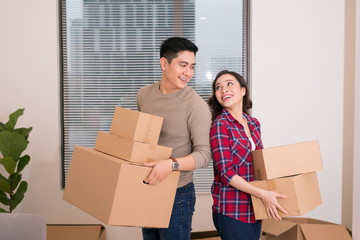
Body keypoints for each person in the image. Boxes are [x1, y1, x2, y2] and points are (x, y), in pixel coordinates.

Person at [137, 37, 212, 240]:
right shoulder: (144, 95)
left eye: (192, 67)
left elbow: (204, 155)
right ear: (164, 63)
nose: (188, 73)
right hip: (148, 185)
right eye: (183, 65)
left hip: (177, 194)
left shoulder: (196, 105)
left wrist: (171, 165)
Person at [208, 70, 288, 240]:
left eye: (229, 84)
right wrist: (262, 194)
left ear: (243, 90)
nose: (223, 90)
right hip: (232, 210)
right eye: (218, 87)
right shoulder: (220, 125)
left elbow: (259, 163)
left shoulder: (253, 123)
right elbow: (226, 173)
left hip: (255, 208)